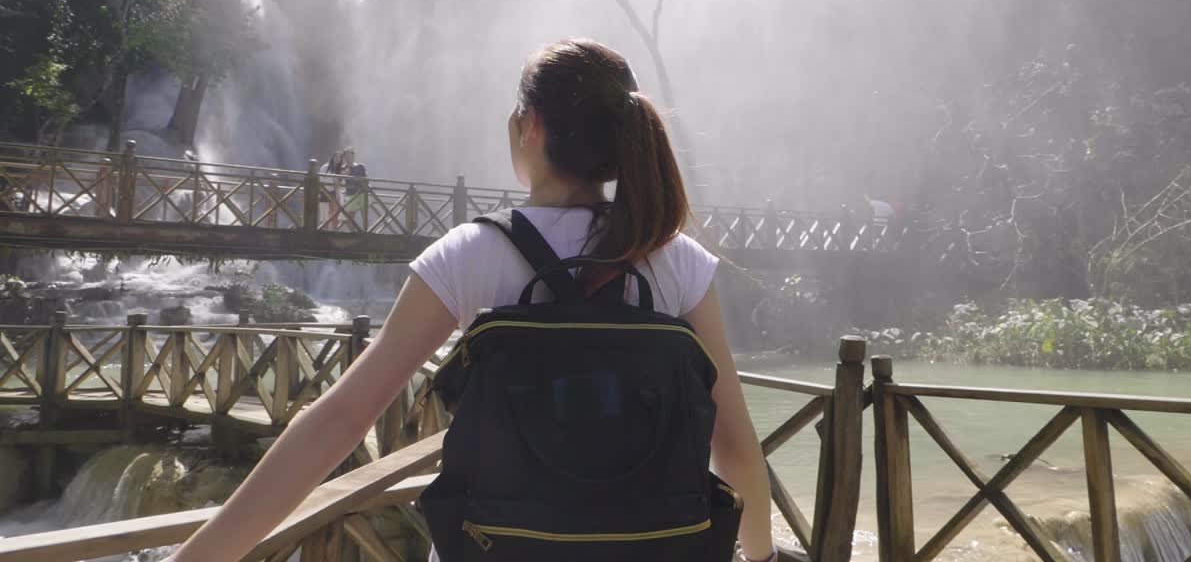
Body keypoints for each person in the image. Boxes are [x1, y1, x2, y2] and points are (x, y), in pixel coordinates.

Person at [167, 39, 777, 562]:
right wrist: (762, 554)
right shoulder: (676, 261)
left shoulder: (469, 254)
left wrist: (200, 555)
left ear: (530, 125)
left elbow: (340, 420)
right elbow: (735, 445)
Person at [343, 157, 368, 230]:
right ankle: (352, 232)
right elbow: (340, 179)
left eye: (350, 154)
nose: (348, 157)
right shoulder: (344, 168)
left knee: (365, 214)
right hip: (351, 193)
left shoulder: (360, 166)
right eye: (346, 155)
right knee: (350, 215)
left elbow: (365, 178)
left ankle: (365, 233)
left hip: (362, 192)